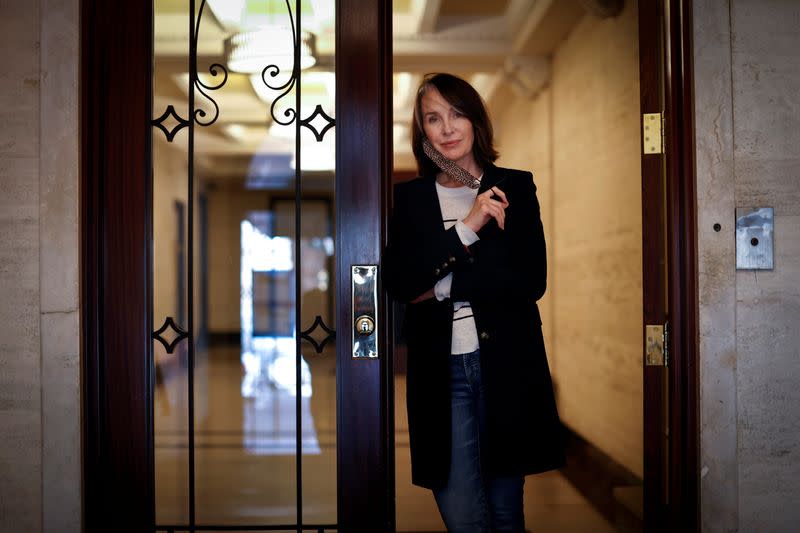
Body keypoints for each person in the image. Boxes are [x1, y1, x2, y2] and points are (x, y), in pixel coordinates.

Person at [383, 73, 565, 532]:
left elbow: (530, 280)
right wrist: (468, 226)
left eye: (457, 114)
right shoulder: (409, 200)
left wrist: (440, 281)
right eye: (433, 118)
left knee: (506, 513)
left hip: (506, 364)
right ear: (422, 131)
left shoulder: (514, 187)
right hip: (440, 373)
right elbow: (401, 284)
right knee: (462, 516)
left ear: (475, 121)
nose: (447, 128)